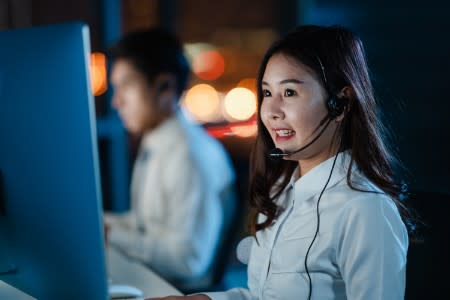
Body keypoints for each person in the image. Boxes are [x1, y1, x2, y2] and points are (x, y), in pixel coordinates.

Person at [147, 25, 409, 300]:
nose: (270, 112)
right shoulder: (280, 191)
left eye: (290, 93)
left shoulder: (365, 209)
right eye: (267, 93)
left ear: (340, 104)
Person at [104, 28, 236, 291]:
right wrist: (100, 223)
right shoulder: (157, 140)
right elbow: (147, 225)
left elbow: (188, 260)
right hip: (156, 280)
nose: (116, 102)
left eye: (126, 86)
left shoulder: (189, 154)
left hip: (178, 291)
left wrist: (111, 235)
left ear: (165, 87)